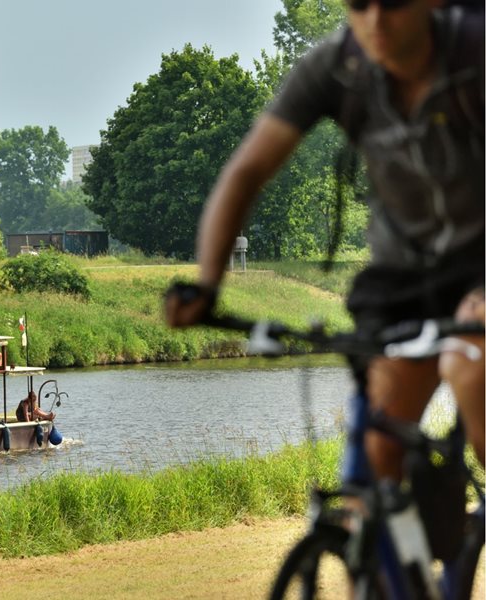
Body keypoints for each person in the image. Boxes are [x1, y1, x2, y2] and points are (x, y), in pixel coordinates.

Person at [165, 0, 484, 482]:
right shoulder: (336, 68)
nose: (375, 20)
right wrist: (206, 285)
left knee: (471, 370)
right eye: (359, 4)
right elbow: (246, 172)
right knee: (378, 451)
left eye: (394, 3)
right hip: (403, 275)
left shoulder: (474, 52)